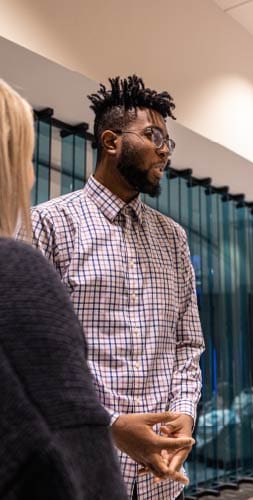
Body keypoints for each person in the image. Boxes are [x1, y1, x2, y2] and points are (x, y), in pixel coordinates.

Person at [30, 75, 205, 500]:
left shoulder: (174, 238)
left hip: (162, 481)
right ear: (111, 142)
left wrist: (184, 414)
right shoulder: (49, 224)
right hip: (80, 473)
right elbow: (35, 356)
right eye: (153, 135)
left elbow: (188, 343)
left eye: (168, 140)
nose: (164, 149)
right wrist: (111, 426)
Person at [0, 80, 129, 498]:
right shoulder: (18, 268)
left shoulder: (175, 239)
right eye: (23, 155)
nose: (31, 173)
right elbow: (74, 460)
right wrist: (112, 428)